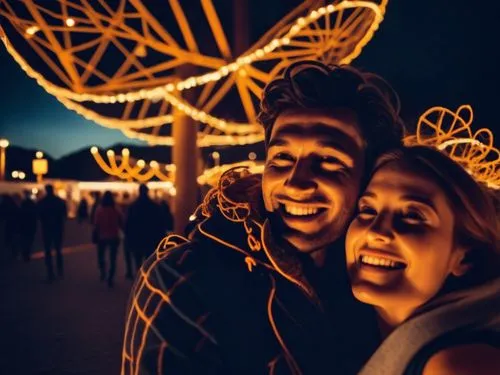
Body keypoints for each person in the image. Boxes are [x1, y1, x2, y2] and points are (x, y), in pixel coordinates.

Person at [121, 61, 405, 374]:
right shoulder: (184, 278)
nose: (296, 183)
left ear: (369, 177)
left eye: (328, 161)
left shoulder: (382, 280)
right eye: (282, 157)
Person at [345, 146, 500, 374]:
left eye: (412, 216)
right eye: (368, 209)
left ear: (464, 257)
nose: (376, 231)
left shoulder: (456, 365)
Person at [124, 184, 168, 271]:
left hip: (137, 238)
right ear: (147, 192)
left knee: (138, 262)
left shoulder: (133, 207)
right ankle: (148, 279)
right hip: (150, 238)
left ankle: (140, 278)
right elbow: (160, 223)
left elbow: (128, 224)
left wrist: (128, 238)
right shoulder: (154, 206)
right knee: (149, 263)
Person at [93, 191, 123, 287]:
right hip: (114, 236)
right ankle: (110, 277)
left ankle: (103, 272)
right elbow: (121, 222)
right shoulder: (116, 209)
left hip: (102, 236)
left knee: (101, 256)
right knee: (112, 258)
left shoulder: (99, 210)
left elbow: (96, 223)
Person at [38, 184, 67, 282]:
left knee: (48, 251)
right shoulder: (59, 201)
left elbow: (39, 215)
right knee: (58, 250)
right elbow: (64, 214)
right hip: (57, 228)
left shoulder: (42, 202)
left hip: (47, 228)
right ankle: (60, 270)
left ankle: (50, 272)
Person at [19, 190, 38, 262]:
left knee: (25, 240)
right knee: (29, 240)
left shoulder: (23, 204)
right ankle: (26, 253)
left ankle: (25, 253)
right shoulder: (32, 204)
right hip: (30, 225)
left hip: (25, 225)